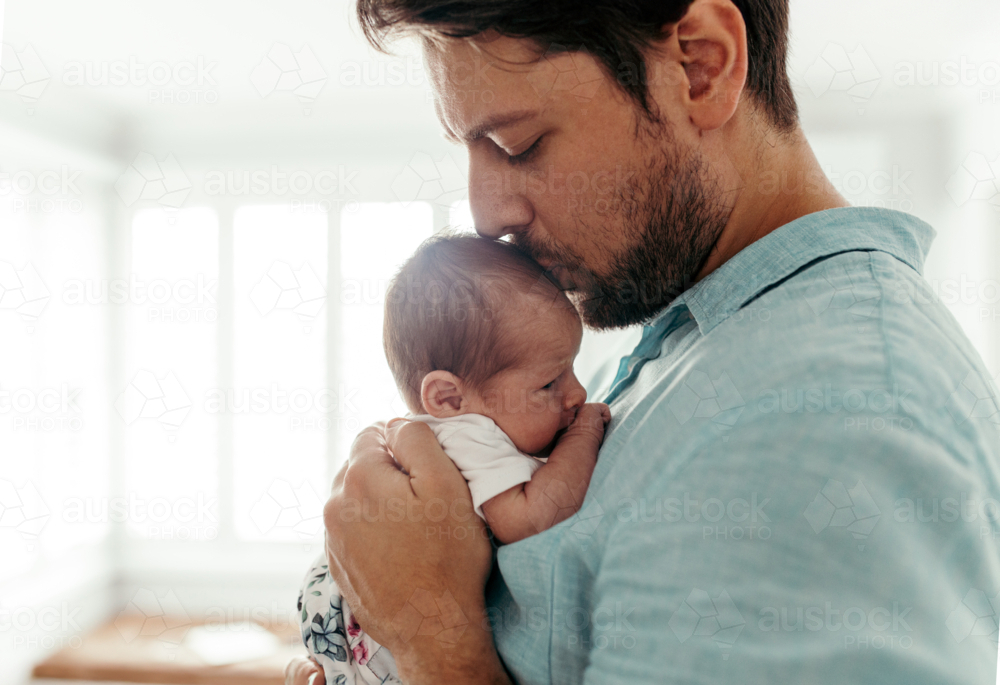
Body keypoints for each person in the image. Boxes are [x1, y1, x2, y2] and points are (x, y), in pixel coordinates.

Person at [289, 0, 1000, 682]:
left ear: (700, 67)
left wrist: (433, 641)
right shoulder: (701, 344)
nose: (486, 213)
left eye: (519, 143)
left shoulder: (825, 415)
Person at [297, 234, 610, 684]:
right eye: (548, 384)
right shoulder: (468, 435)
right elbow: (533, 518)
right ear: (447, 396)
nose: (577, 393)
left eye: (573, 369)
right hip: (365, 627)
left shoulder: (454, 427)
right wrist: (584, 432)